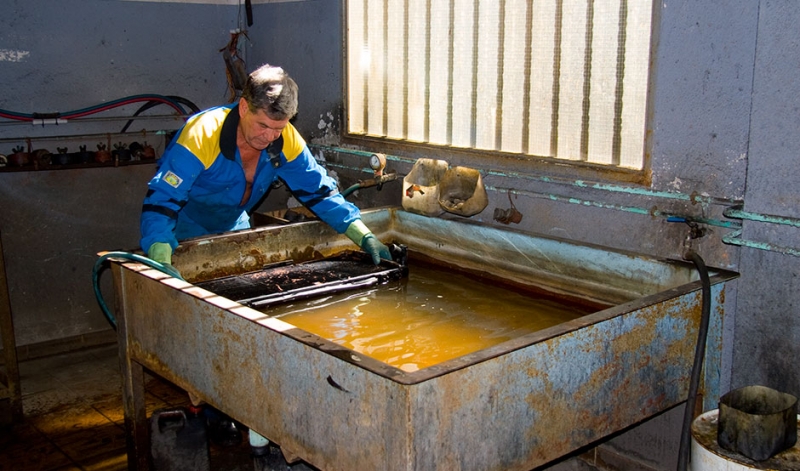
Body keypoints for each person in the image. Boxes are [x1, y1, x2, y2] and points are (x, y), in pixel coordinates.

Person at [139, 63, 391, 451]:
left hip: (234, 230)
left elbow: (319, 193)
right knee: (199, 330)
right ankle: (208, 410)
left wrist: (362, 234)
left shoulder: (284, 139)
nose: (270, 136)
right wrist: (160, 254)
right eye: (263, 126)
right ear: (243, 107)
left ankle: (246, 411)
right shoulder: (201, 134)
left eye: (279, 127)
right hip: (183, 236)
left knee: (241, 329)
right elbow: (162, 200)